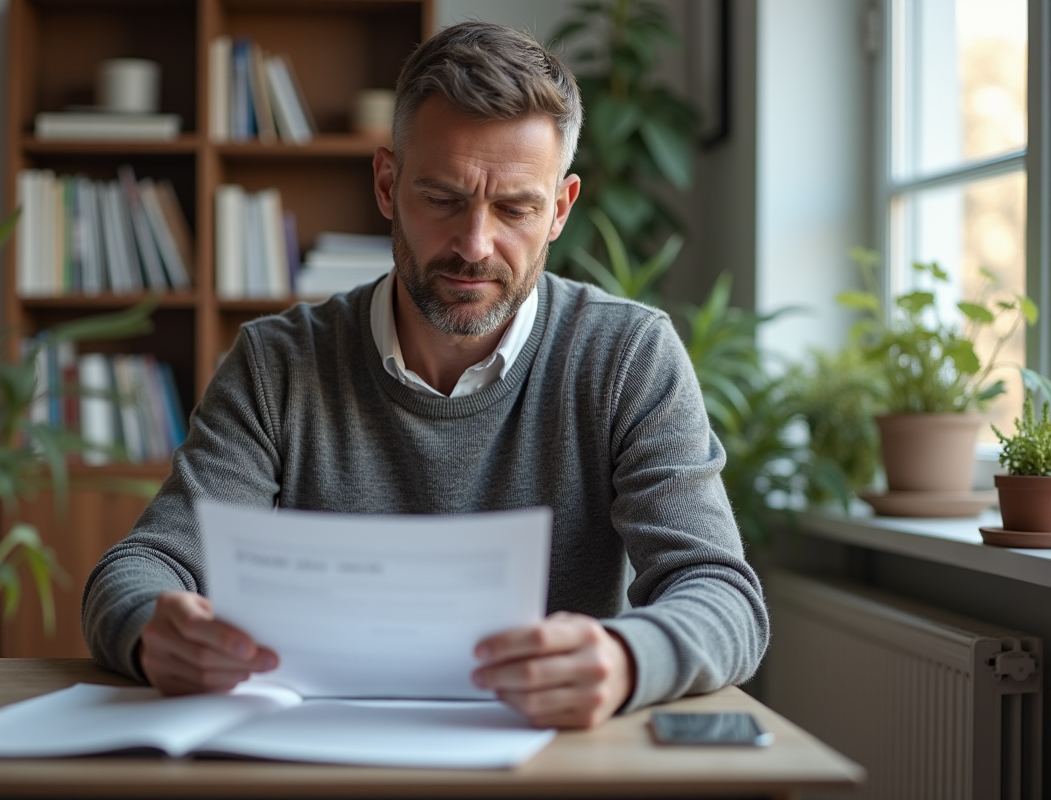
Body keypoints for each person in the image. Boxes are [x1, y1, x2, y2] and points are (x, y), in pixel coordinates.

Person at [82, 20, 768, 730]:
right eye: (442, 199)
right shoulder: (277, 364)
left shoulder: (627, 356)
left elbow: (722, 594)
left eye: (516, 208)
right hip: (319, 753)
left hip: (546, 758)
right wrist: (154, 629)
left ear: (560, 209)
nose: (475, 245)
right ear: (387, 184)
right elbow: (140, 566)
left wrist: (626, 659)